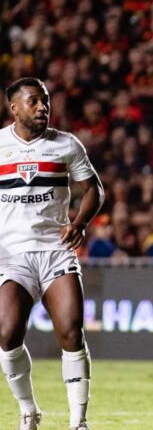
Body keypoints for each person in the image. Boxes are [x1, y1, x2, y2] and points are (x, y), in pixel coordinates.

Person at [0, 78, 104, 430]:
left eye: (45, 101)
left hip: (56, 252)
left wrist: (80, 222)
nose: (43, 107)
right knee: (6, 332)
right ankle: (28, 409)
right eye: (34, 102)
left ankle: (79, 422)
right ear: (14, 108)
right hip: (11, 255)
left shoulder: (65, 144)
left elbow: (93, 190)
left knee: (71, 332)